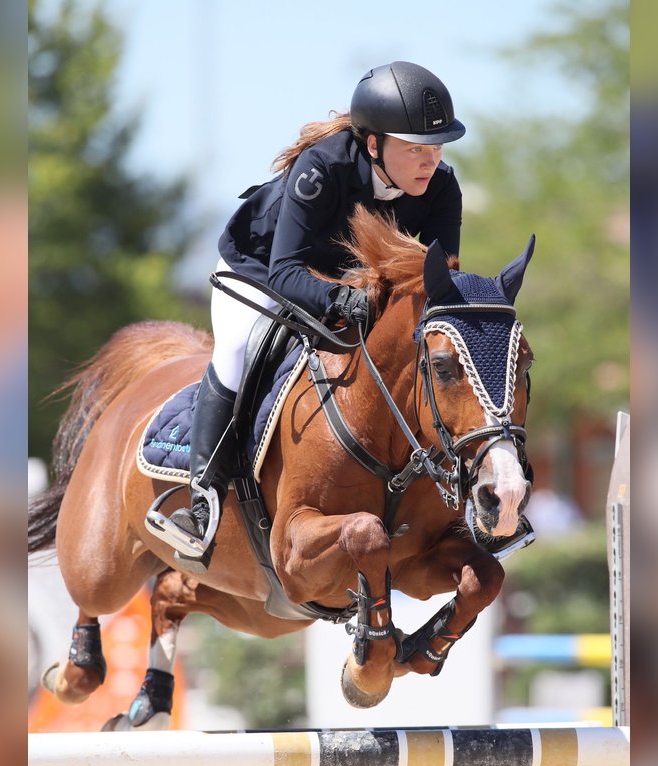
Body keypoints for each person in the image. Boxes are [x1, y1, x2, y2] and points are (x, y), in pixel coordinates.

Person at [153, 61, 467, 560]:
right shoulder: (321, 170)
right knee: (238, 349)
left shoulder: (443, 189)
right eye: (415, 149)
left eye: (436, 148)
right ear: (373, 145)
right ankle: (202, 500)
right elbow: (285, 272)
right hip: (261, 271)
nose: (430, 162)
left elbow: (436, 284)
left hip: (352, 285)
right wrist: (343, 299)